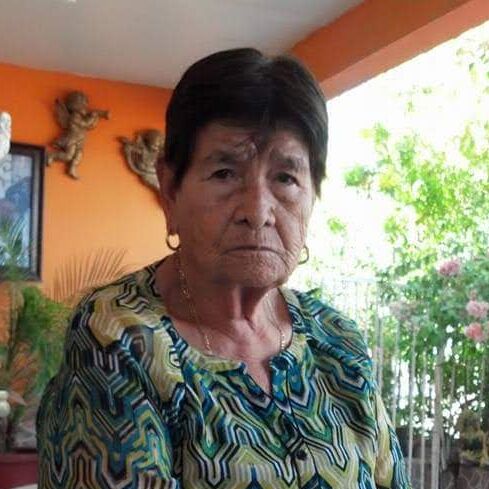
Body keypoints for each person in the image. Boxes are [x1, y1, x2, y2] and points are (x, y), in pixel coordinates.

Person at [37, 48, 410, 489]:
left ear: (313, 196)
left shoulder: (337, 340)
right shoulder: (118, 336)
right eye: (225, 173)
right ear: (170, 190)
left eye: (285, 178)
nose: (258, 211)